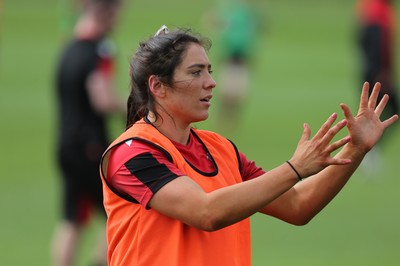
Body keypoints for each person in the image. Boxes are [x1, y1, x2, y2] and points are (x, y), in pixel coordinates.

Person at [99, 26, 398, 266]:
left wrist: (355, 149)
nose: (211, 82)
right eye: (195, 72)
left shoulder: (221, 149)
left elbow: (297, 206)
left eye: (209, 70)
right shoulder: (131, 153)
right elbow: (206, 212)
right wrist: (294, 168)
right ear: (158, 87)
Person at [51, 0, 125, 265]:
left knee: (72, 218)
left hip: (65, 143)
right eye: (118, 13)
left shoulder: (68, 49)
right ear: (105, 12)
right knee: (119, 210)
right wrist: (135, 106)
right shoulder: (100, 50)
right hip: (90, 146)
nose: (119, 20)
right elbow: (102, 99)